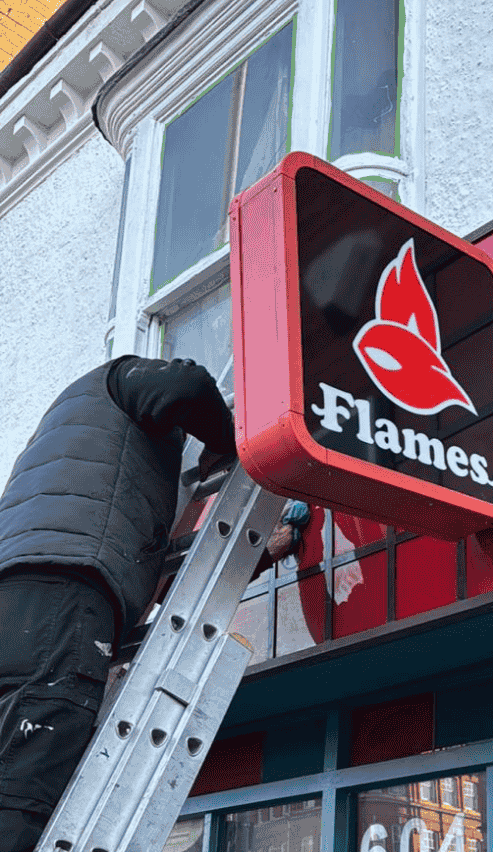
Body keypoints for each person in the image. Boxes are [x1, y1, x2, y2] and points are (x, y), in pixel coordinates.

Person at [0, 356, 298, 852]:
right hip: (67, 590)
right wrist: (227, 443)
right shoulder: (115, 379)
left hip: (19, 593)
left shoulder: (60, 436)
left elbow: (154, 563)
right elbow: (186, 383)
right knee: (32, 776)